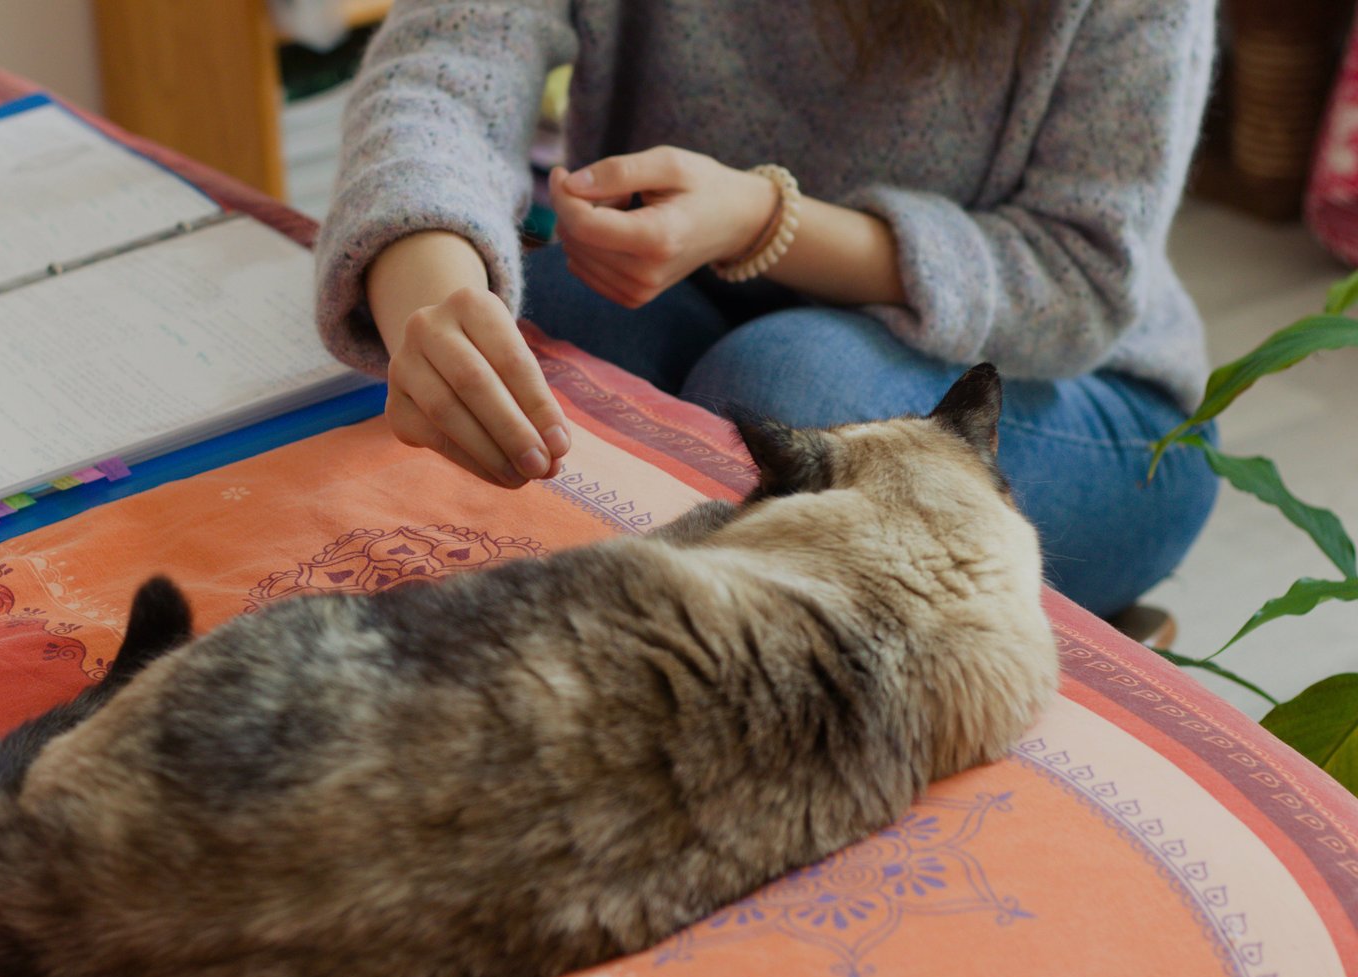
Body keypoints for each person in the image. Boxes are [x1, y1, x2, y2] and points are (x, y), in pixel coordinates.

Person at [314, 0, 1220, 619]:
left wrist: (764, 218)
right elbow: (446, 62)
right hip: (697, 306)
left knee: (787, 392)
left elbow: (1079, 279)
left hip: (1070, 390)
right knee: (545, 327)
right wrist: (432, 292)